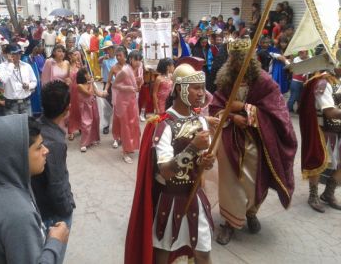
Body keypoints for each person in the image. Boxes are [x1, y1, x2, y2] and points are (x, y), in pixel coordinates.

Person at [125, 63, 215, 264]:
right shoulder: (164, 125)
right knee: (164, 256)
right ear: (179, 89)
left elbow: (201, 163)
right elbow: (165, 172)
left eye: (202, 87)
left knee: (203, 253)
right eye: (195, 88)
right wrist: (192, 148)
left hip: (195, 198)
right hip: (170, 201)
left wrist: (206, 161)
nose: (201, 93)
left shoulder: (201, 121)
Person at [210, 38, 297, 245]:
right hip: (230, 138)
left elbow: (277, 111)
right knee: (230, 182)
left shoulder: (264, 81)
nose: (238, 64)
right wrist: (232, 116)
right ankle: (230, 223)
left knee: (254, 180)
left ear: (251, 60)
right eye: (235, 59)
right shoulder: (225, 80)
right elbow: (215, 108)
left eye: (243, 59)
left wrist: (246, 109)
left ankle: (250, 212)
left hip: (256, 139)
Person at [0, 114, 69, 264]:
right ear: (17, 156)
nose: (46, 151)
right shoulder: (19, 215)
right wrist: (55, 242)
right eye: (38, 147)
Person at [31, 81, 75, 264]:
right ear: (67, 109)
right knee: (52, 253)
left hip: (37, 204)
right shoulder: (55, 143)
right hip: (53, 212)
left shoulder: (36, 126)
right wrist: (67, 208)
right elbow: (57, 184)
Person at [299, 64, 341, 212]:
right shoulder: (323, 82)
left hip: (339, 127)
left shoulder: (338, 80)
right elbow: (329, 112)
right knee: (317, 160)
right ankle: (313, 196)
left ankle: (328, 193)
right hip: (322, 129)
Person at [111, 49, 141, 164]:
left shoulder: (135, 70)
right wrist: (128, 88)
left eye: (139, 60)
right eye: (136, 59)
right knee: (125, 126)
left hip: (132, 101)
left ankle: (130, 147)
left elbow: (134, 86)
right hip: (123, 102)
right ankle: (125, 152)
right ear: (130, 59)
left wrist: (138, 81)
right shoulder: (124, 70)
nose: (138, 62)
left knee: (133, 124)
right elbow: (115, 84)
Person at [0, 44, 37, 115]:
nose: (18, 55)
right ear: (7, 55)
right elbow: (4, 79)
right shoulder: (1, 67)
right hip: (11, 103)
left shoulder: (26, 66)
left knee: (27, 124)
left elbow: (34, 81)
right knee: (12, 125)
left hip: (26, 102)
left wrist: (29, 86)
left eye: (19, 53)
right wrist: (11, 64)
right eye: (14, 53)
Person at [76, 68, 106, 152]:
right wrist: (92, 83)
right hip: (85, 106)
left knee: (96, 120)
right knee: (86, 123)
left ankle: (93, 139)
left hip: (93, 104)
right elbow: (89, 93)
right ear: (84, 76)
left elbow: (97, 93)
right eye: (88, 74)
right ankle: (84, 143)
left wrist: (104, 94)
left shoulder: (90, 84)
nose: (89, 75)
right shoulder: (80, 85)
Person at [67, 49, 82, 140]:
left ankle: (80, 126)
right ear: (70, 56)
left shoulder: (79, 66)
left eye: (77, 55)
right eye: (74, 55)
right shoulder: (66, 66)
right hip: (70, 91)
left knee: (79, 109)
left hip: (79, 90)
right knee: (71, 110)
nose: (76, 56)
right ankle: (71, 130)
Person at [28, 44, 45, 117]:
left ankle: (38, 112)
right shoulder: (28, 58)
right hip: (32, 80)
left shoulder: (39, 56)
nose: (41, 48)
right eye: (36, 48)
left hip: (39, 79)